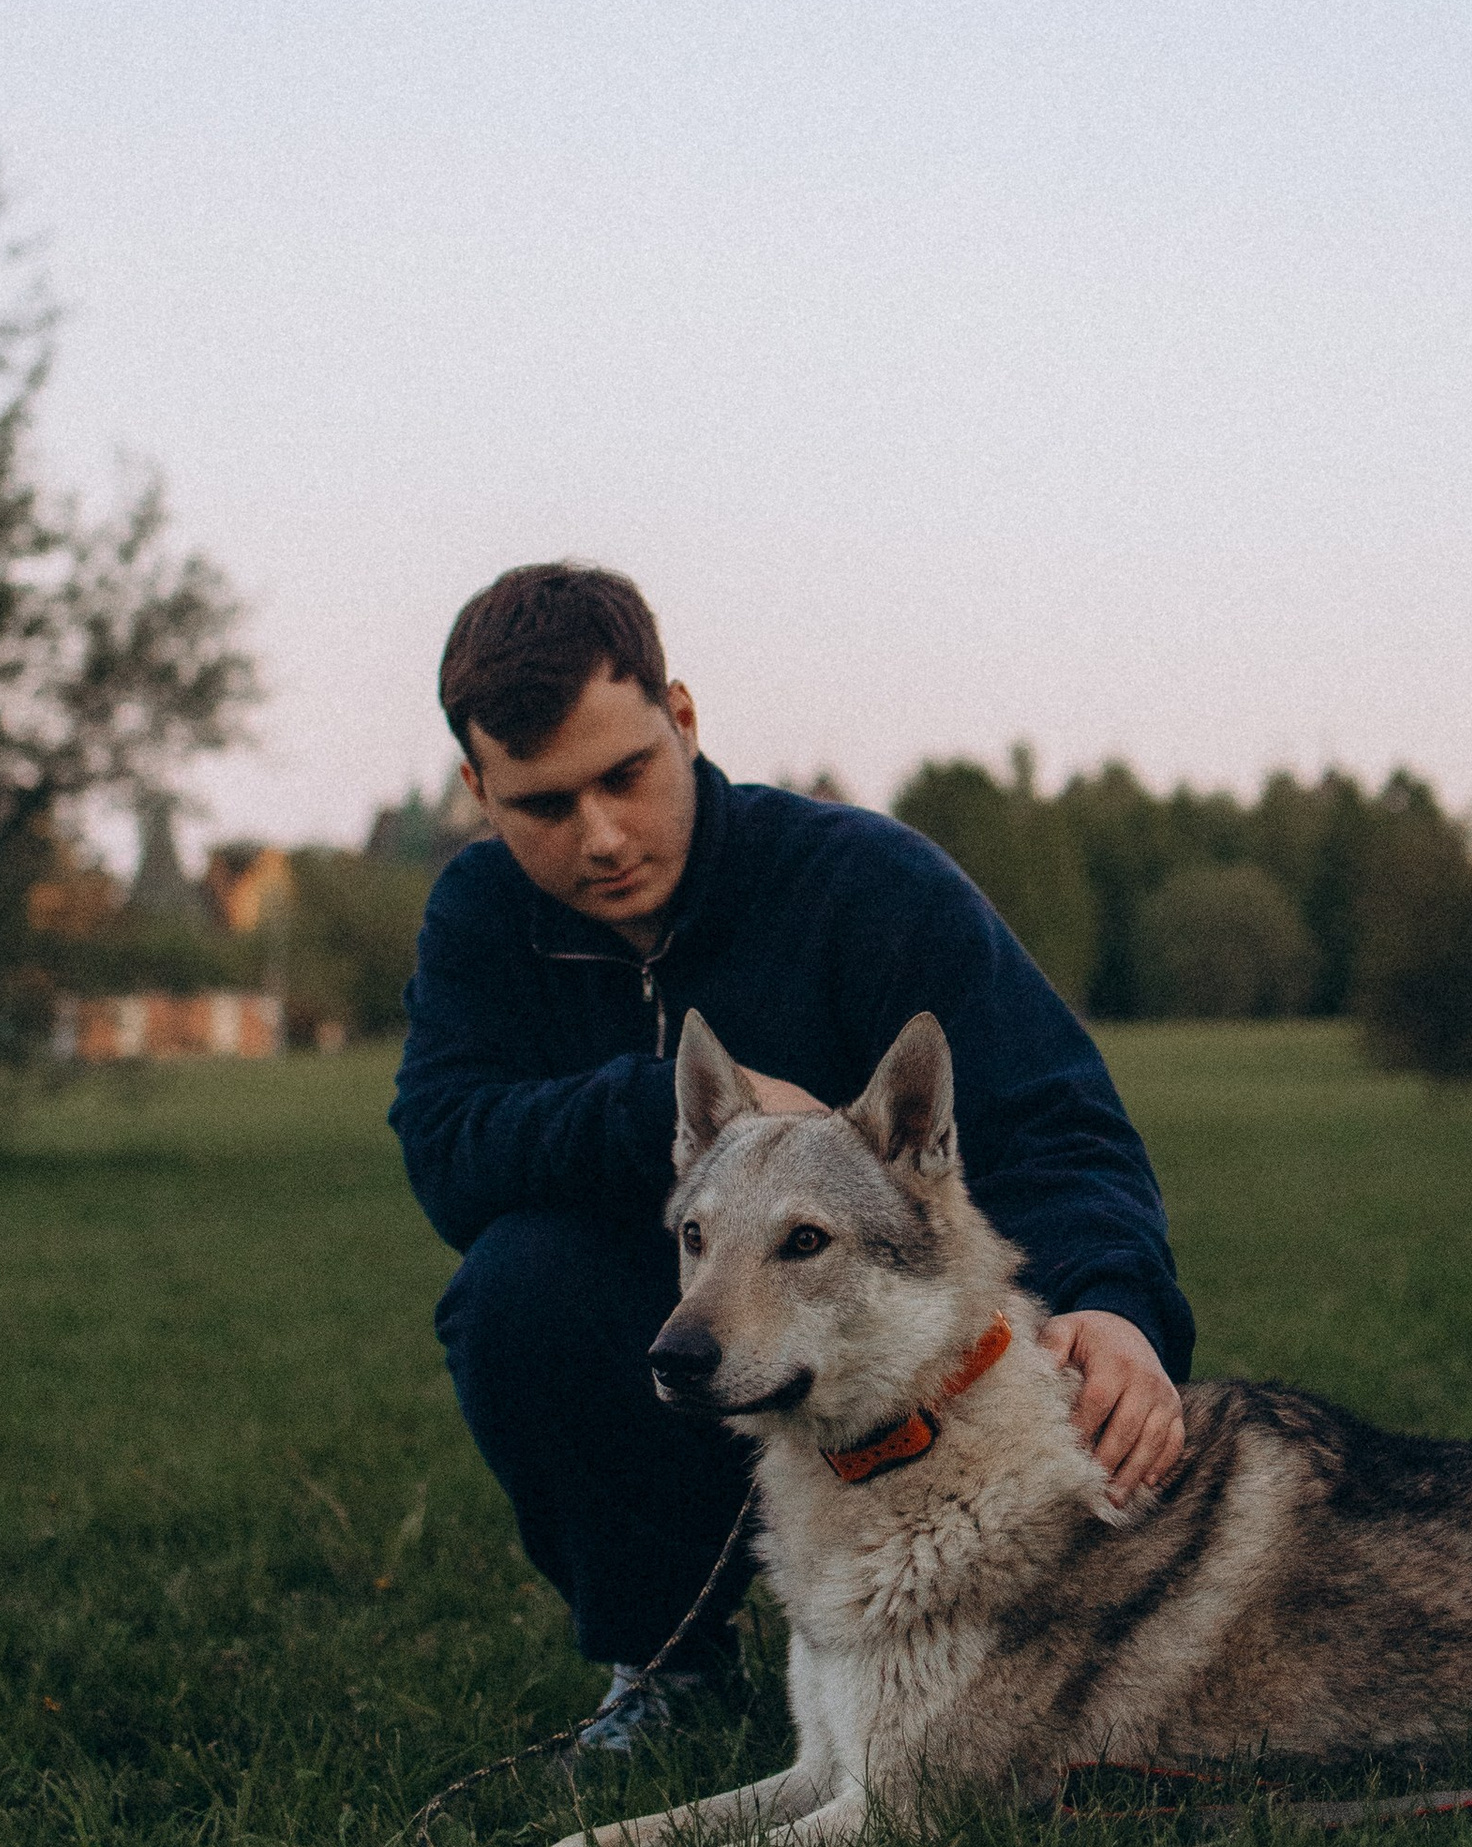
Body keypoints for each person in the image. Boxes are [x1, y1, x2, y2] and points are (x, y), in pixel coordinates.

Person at [390, 563, 1194, 1752]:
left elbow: (1053, 1120)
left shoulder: (863, 883)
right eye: (544, 807)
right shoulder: (480, 917)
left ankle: (991, 1644)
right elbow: (450, 1148)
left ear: (682, 717)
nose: (600, 837)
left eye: (626, 776)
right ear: (478, 788)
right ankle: (664, 1665)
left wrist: (1117, 1304)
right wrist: (679, 1109)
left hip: (885, 1375)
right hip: (653, 1350)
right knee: (512, 1288)